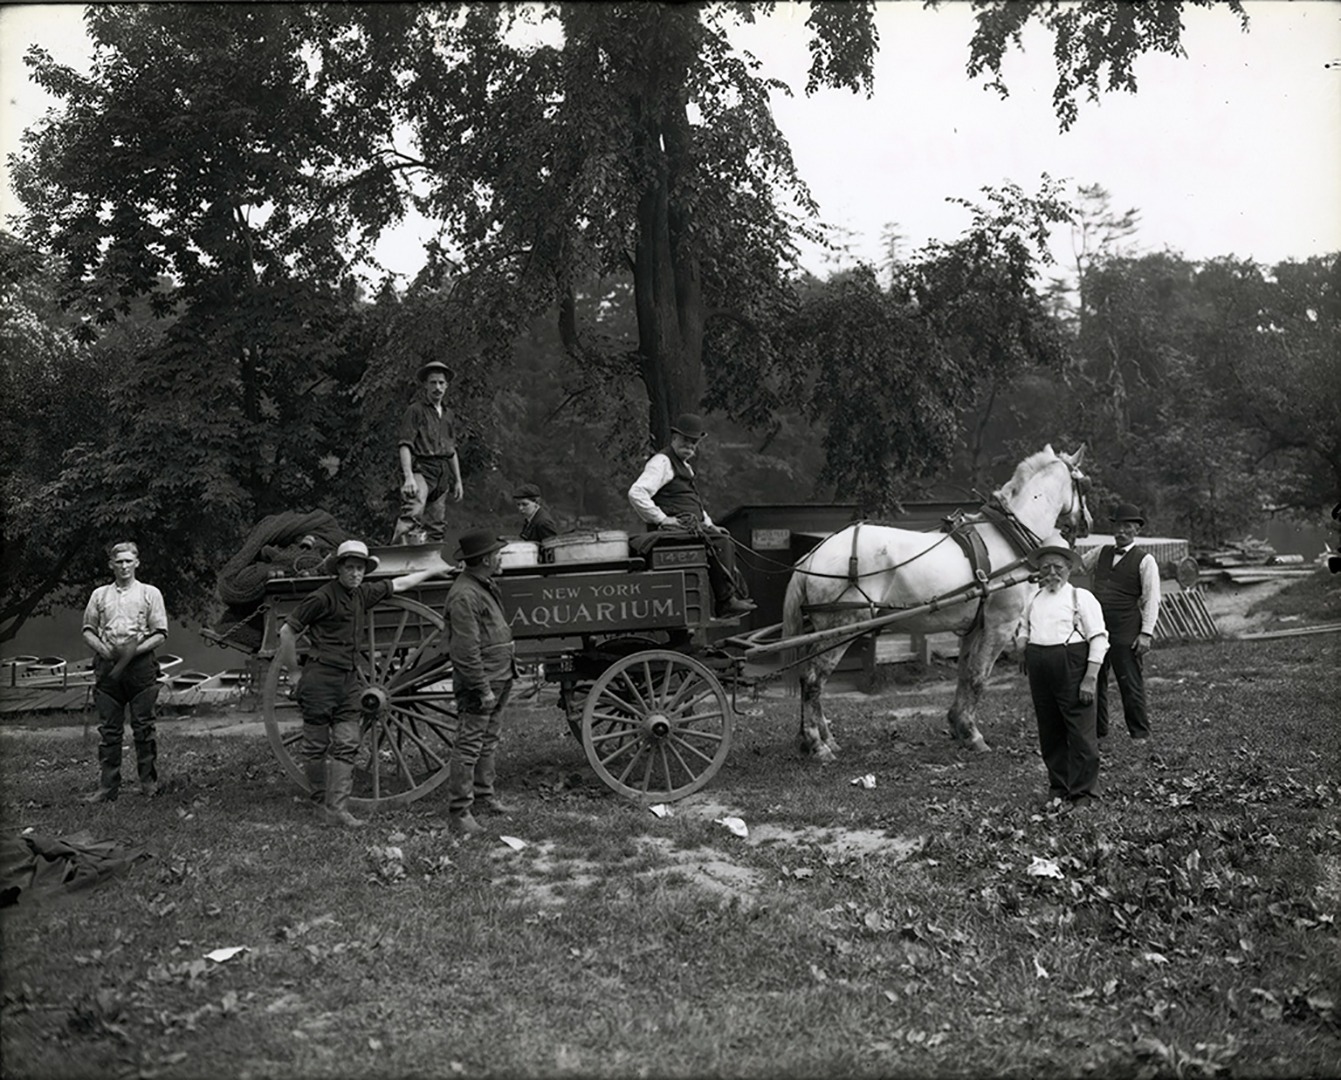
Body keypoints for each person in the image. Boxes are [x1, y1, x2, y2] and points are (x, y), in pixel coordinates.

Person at [277, 539, 451, 828]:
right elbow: (286, 632)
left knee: (347, 743)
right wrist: (295, 673)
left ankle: (338, 809)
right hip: (320, 678)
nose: (355, 574)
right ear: (339, 569)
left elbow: (401, 585)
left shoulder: (363, 595)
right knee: (316, 746)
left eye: (360, 569)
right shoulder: (321, 598)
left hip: (348, 680)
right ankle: (320, 804)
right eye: (350, 568)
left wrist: (432, 571)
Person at [627, 412, 756, 618]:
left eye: (694, 442)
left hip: (689, 527)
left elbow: (692, 503)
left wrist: (710, 524)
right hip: (673, 531)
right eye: (686, 440)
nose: (690, 446)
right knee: (720, 542)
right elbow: (637, 493)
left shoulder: (684, 467)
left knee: (723, 538)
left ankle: (730, 597)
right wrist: (662, 519)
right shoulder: (662, 462)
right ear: (674, 438)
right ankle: (725, 602)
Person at [1014, 540, 1110, 813]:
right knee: (1050, 730)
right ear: (1039, 571)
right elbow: (1023, 626)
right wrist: (1022, 643)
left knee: (1080, 732)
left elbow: (1099, 638)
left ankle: (1084, 794)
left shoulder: (1081, 598)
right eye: (1046, 568)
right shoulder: (1033, 598)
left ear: (1069, 568)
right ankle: (1059, 786)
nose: (1052, 573)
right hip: (1040, 668)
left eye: (1058, 567)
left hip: (1073, 665)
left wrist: (1090, 676)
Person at [81, 541, 169, 802]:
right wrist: (105, 651)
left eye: (128, 561)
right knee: (109, 731)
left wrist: (135, 651)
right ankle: (108, 788)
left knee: (144, 728)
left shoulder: (150, 593)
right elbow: (88, 630)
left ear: (137, 563)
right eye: (119, 562)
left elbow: (161, 633)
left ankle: (148, 785)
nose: (124, 566)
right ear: (111, 565)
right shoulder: (99, 595)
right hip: (108, 668)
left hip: (140, 667)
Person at [444, 529, 518, 836]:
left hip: (499, 675)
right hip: (483, 682)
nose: (501, 557)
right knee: (469, 744)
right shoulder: (465, 595)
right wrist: (482, 688)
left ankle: (485, 798)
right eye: (497, 553)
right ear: (486, 559)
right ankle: (460, 812)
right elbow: (464, 650)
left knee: (488, 739)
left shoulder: (482, 586)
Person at [1080, 503, 1162, 741]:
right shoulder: (1100, 552)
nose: (1121, 532)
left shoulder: (1146, 561)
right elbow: (1076, 567)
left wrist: (1146, 633)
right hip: (1097, 628)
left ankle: (1140, 734)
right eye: (1117, 526)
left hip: (1127, 628)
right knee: (1094, 678)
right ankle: (1097, 731)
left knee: (1130, 682)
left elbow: (1151, 599)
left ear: (1137, 529)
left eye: (1127, 527)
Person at [391, 359, 464, 545]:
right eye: (433, 382)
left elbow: (451, 450)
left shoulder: (448, 414)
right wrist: (408, 477)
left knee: (437, 523)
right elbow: (405, 444)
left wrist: (458, 480)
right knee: (412, 514)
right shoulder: (416, 410)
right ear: (425, 385)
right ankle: (396, 559)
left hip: (442, 473)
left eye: (441, 383)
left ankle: (432, 562)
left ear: (446, 386)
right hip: (422, 469)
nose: (437, 387)